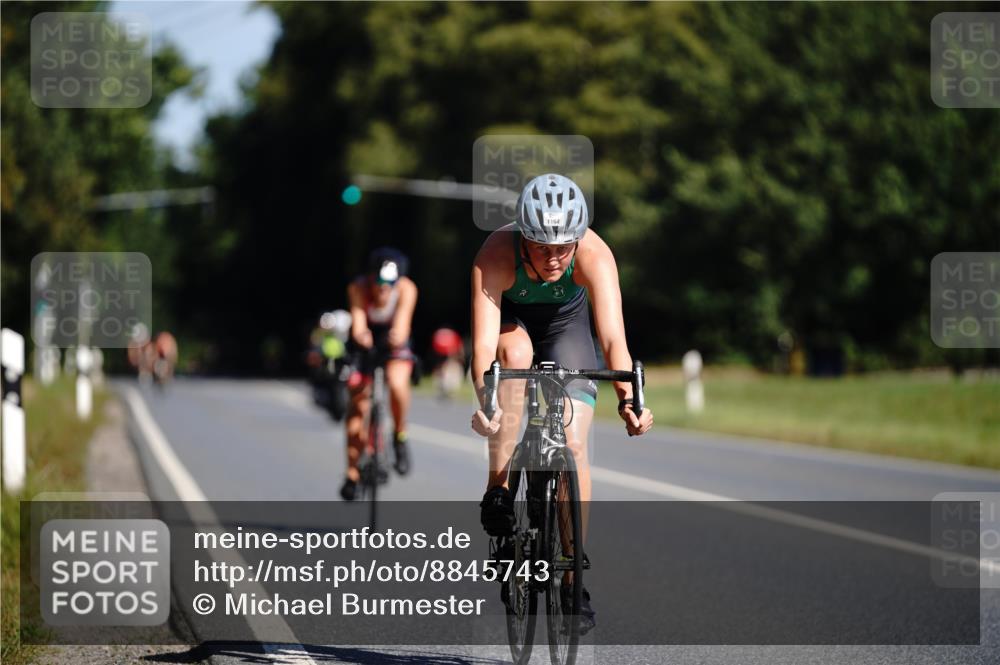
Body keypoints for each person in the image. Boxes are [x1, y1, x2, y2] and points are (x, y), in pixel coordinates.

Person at [469, 173, 654, 633]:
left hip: (566, 326)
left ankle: (573, 578)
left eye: (563, 247)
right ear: (523, 236)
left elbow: (613, 339)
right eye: (542, 246)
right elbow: (482, 350)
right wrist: (487, 403)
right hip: (513, 323)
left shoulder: (594, 253)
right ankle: (500, 488)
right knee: (514, 357)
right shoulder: (495, 253)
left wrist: (629, 401)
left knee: (573, 444)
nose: (554, 258)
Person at [340, 247, 418, 501]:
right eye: (379, 282)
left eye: (389, 283)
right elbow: (359, 324)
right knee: (358, 406)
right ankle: (352, 473)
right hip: (365, 343)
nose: (383, 288)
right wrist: (362, 337)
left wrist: (397, 336)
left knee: (397, 383)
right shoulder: (358, 288)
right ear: (371, 278)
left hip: (394, 341)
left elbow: (403, 325)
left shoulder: (407, 289)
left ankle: (399, 435)